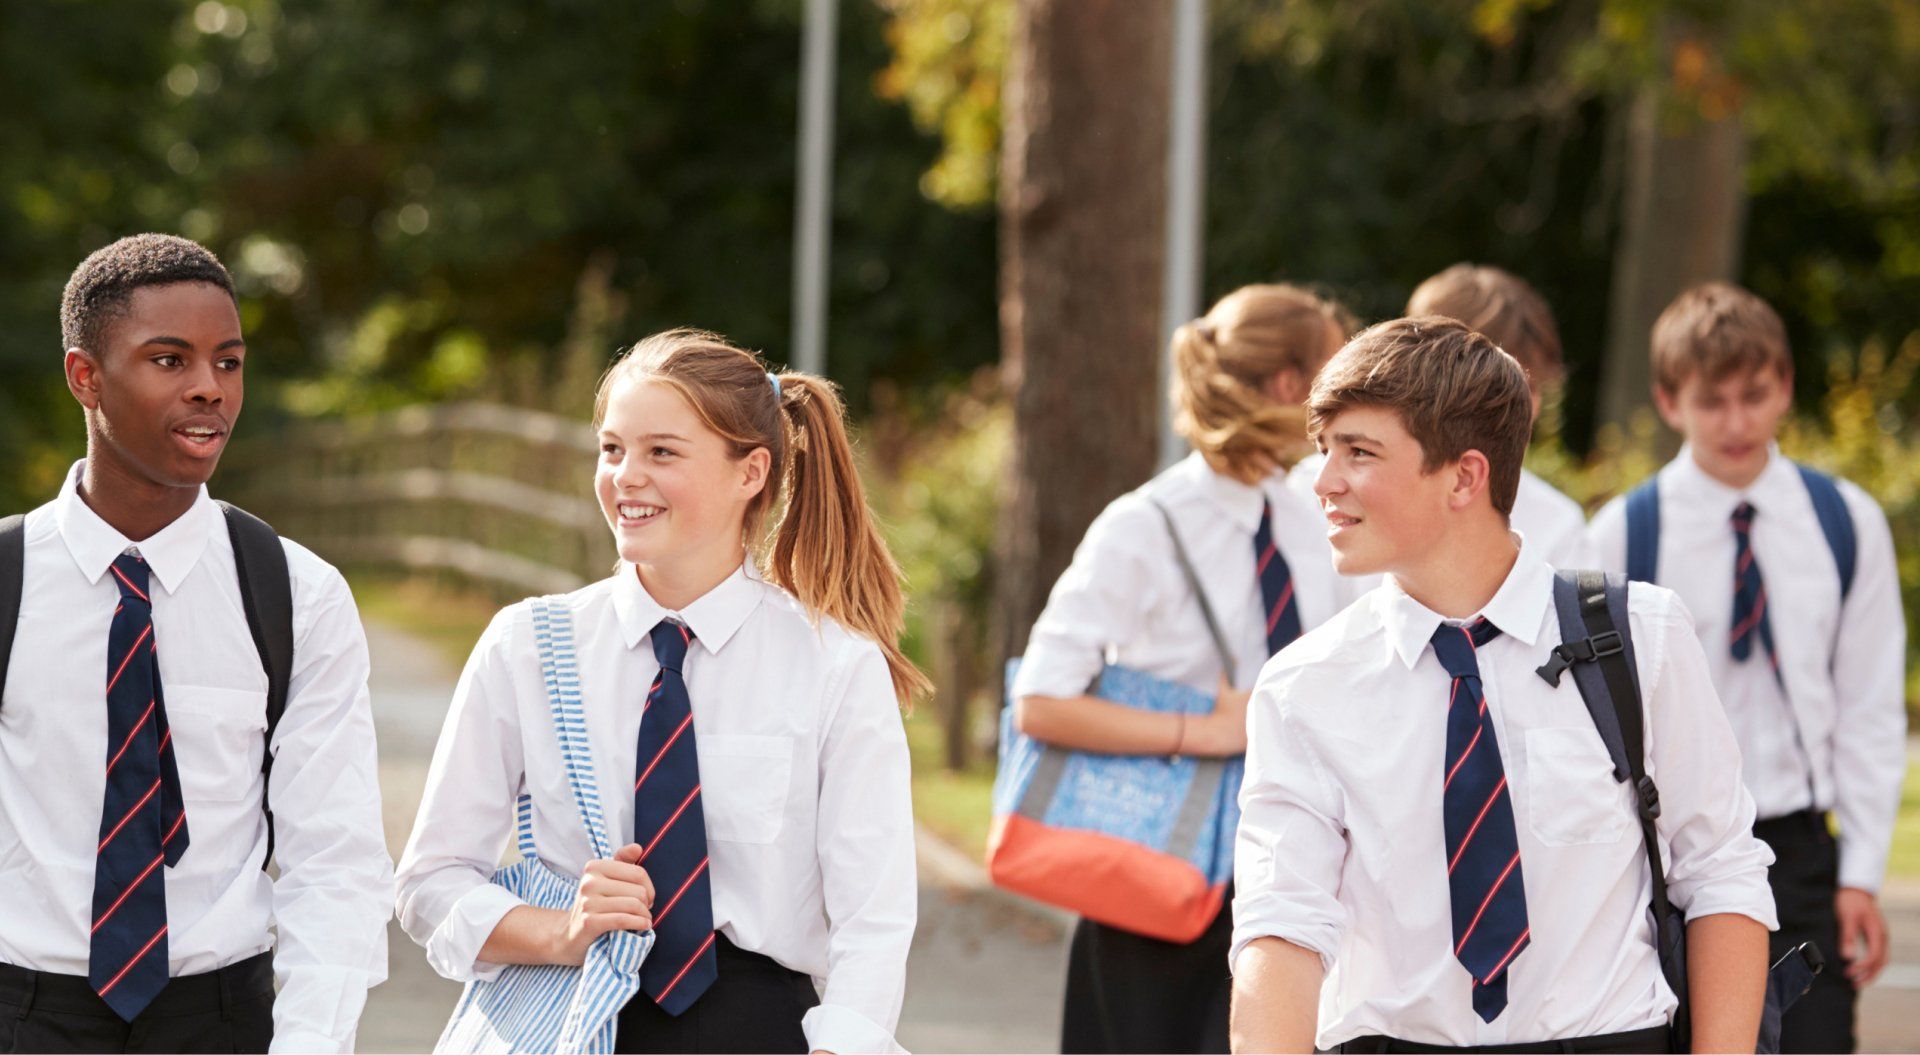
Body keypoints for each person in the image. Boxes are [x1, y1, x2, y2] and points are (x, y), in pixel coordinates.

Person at [1230, 316, 1777, 1054]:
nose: (1324, 481)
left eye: (1359, 452)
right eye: (1324, 448)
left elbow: (1720, 872)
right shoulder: (1303, 687)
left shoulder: (1643, 636)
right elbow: (1279, 925)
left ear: (1465, 474)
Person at [396, 329, 922, 1054]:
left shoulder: (833, 665)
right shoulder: (528, 646)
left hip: (758, 1030)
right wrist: (562, 931)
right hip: (563, 1019)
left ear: (751, 472)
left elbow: (875, 917)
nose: (625, 477)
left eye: (662, 452)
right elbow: (430, 880)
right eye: (612, 449)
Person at [0, 234, 392, 1052]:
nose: (210, 388)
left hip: (222, 1021)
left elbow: (335, 858)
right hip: (24, 1014)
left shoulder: (298, 595)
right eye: (170, 359)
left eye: (229, 361)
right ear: (86, 377)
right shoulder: (7, 579)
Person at [1012, 284, 1358, 1053]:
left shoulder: (1316, 516)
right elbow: (1038, 700)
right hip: (1157, 879)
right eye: (1336, 378)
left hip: (1292, 870)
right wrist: (1205, 729)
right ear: (1287, 386)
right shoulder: (1145, 525)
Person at [1587, 283, 1907, 1052]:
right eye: (1712, 401)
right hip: (1671, 851)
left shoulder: (1843, 521)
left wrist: (1859, 869)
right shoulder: (1625, 533)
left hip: (1797, 845)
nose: (1736, 422)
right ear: (1669, 401)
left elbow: (1868, 704)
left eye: (1754, 396)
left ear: (1786, 387)